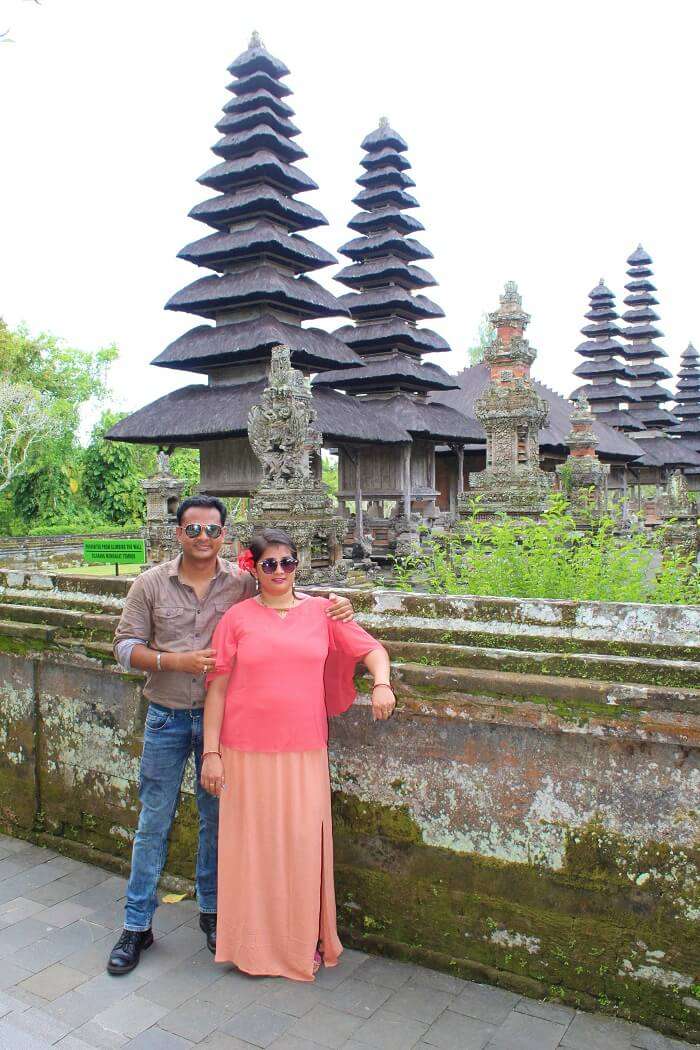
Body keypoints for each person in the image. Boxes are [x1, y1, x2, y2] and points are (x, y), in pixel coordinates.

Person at [107, 497, 355, 976]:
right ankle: (136, 925)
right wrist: (172, 661)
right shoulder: (150, 584)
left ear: (225, 535)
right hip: (169, 714)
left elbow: (282, 588)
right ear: (178, 532)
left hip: (228, 726)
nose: (203, 538)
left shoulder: (240, 583)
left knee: (219, 823)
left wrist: (337, 601)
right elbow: (123, 646)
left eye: (212, 530)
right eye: (194, 529)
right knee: (153, 821)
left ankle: (216, 916)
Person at [201, 527, 394, 982]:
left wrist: (381, 684)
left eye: (287, 562)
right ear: (253, 567)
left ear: (297, 564)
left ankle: (301, 942)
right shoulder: (236, 619)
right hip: (244, 751)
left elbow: (372, 650)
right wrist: (211, 753)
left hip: (305, 750)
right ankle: (251, 947)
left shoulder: (323, 612)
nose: (280, 572)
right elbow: (217, 689)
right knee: (252, 852)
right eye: (269, 564)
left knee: (303, 847)